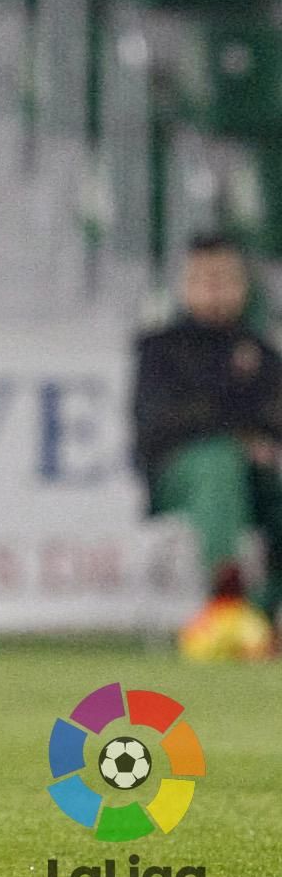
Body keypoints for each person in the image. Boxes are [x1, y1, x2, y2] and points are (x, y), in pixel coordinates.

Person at [135, 234, 282, 630]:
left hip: (256, 478)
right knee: (217, 462)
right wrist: (238, 433)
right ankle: (227, 599)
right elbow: (158, 424)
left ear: (242, 286)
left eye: (224, 279)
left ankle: (264, 614)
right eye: (204, 279)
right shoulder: (160, 350)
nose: (215, 290)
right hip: (181, 476)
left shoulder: (261, 352)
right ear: (186, 285)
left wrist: (256, 439)